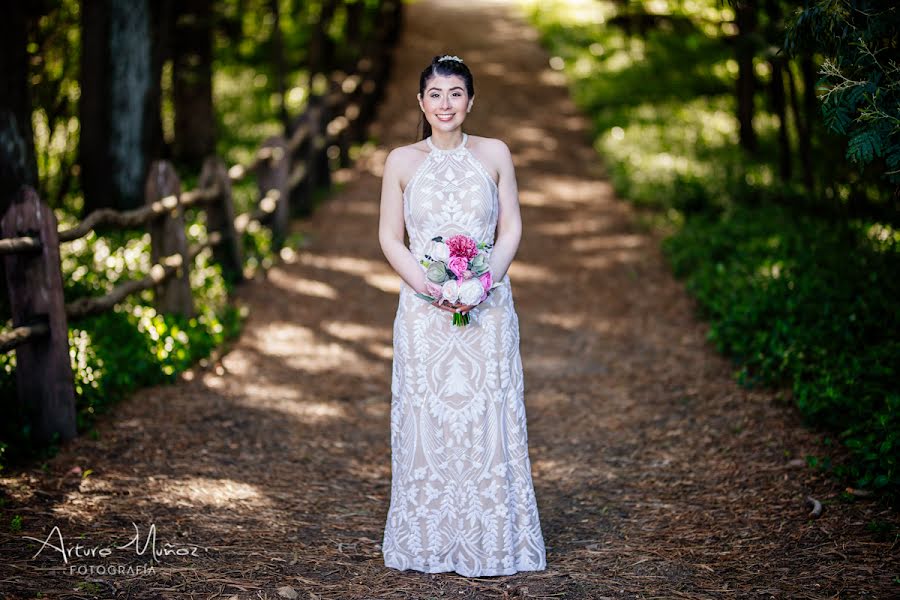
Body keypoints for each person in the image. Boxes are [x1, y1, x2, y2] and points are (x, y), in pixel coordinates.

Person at [377, 54, 547, 577]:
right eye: (435, 94)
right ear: (421, 102)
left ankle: (491, 539)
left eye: (456, 93)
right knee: (428, 417)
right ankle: (428, 539)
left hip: (488, 309)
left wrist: (482, 281)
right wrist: (427, 285)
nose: (445, 103)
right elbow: (389, 236)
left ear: (471, 101)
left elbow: (512, 227)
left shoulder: (495, 153)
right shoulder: (401, 162)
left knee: (487, 418)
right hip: (423, 314)